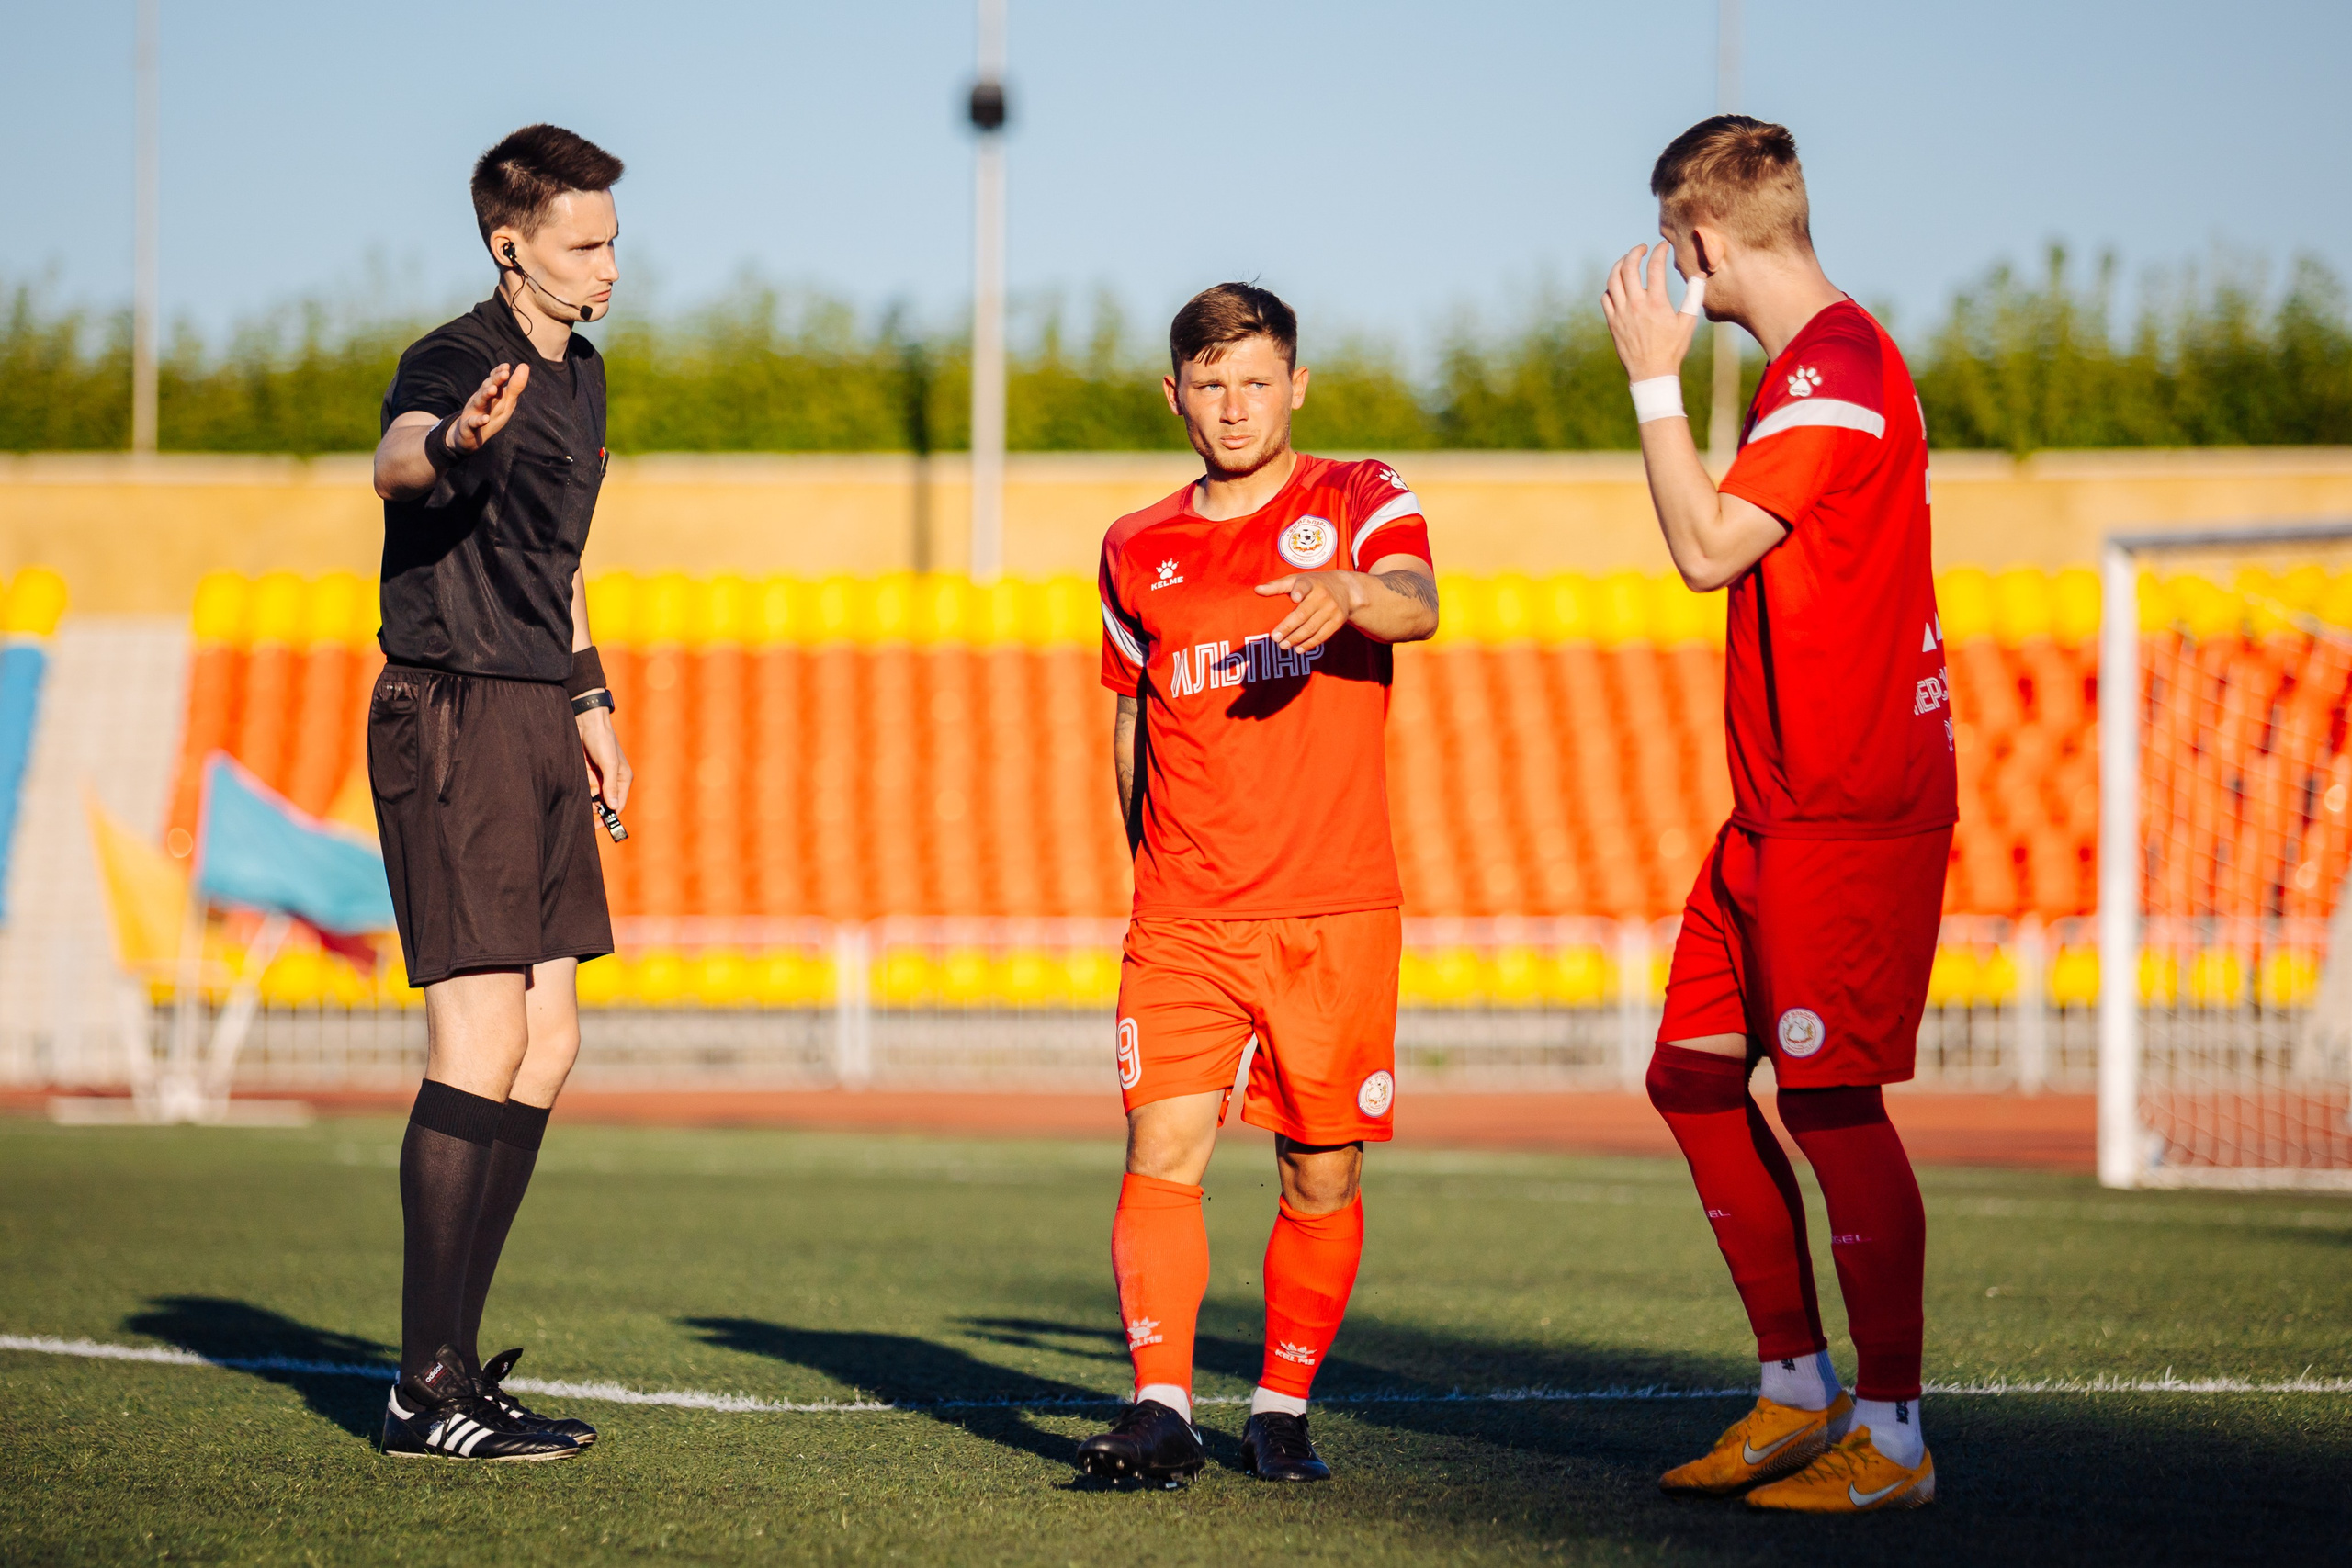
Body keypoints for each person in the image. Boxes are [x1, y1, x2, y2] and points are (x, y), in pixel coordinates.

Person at [1600, 116, 1954, 1513]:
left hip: (1850, 807)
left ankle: (1898, 1431)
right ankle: (1799, 1390)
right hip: (1774, 811)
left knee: (1830, 1098)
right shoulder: (1812, 371)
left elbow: (1704, 550)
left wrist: (1650, 386)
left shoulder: (1837, 372)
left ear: (1698, 247)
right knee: (1690, 1074)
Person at [1074, 283, 1440, 1487]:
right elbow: (1130, 725)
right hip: (1183, 911)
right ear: (1173, 394)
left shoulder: (1359, 494)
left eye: (1255, 382)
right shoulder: (1135, 545)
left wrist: (1349, 596)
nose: (1233, 409)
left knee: (1319, 1169)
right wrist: (1147, 867)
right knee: (1160, 1147)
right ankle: (1162, 1405)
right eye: (1209, 385)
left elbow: (1419, 604)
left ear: (1296, 385)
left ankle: (1279, 1407)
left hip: (1333, 907)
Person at [367, 123, 634, 1461]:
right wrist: (456, 440)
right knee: (475, 1043)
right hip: (450, 703)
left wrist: (591, 701)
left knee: (549, 1044)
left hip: (535, 708)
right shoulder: (454, 359)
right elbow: (400, 457)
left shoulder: (584, 379)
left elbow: (561, 561)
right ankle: (423, 1386)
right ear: (508, 245)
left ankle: (456, 1362)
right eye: (583, 244)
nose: (607, 265)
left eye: (613, 241)